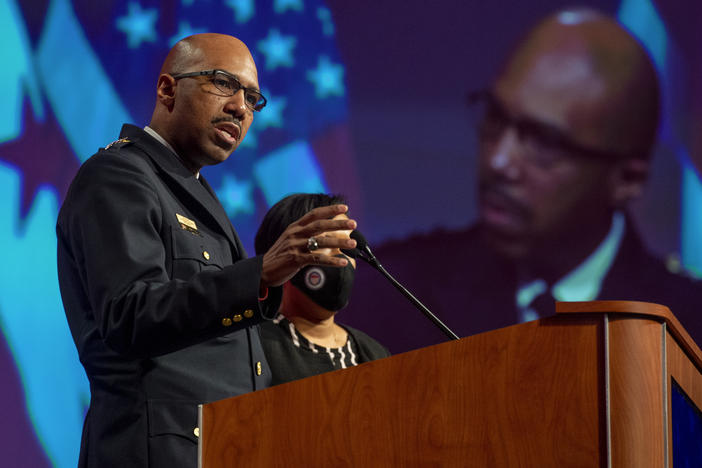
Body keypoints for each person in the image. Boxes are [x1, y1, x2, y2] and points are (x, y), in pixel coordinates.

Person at [56, 33, 357, 468]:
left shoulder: (192, 191)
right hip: (158, 450)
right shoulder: (118, 176)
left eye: (253, 98)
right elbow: (129, 315)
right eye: (223, 82)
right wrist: (260, 273)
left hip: (228, 445)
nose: (240, 107)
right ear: (167, 90)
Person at [345, 8, 702, 352]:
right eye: (495, 118)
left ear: (627, 180)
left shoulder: (689, 330)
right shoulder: (390, 296)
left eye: (544, 142)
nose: (499, 160)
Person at [254, 193, 389, 385]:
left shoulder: (374, 353)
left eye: (347, 246)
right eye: (325, 243)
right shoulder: (254, 347)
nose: (341, 256)